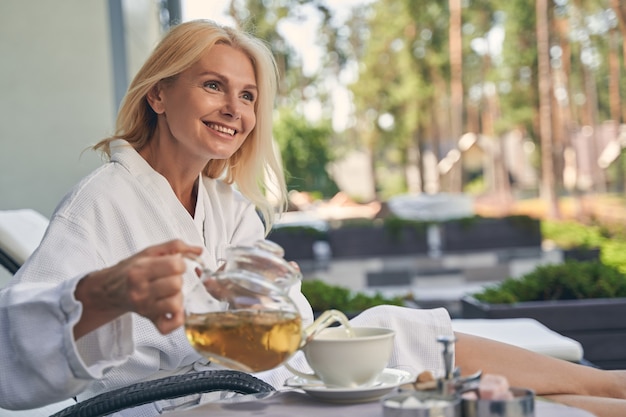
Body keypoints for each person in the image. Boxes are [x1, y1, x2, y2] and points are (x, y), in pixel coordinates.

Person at [0, 19, 625, 417]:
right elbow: (9, 363)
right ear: (159, 94)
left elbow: (281, 328)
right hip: (170, 407)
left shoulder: (225, 207)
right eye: (213, 86)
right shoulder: (103, 200)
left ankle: (602, 390)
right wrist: (106, 295)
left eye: (247, 96)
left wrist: (271, 292)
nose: (235, 109)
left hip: (246, 385)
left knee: (387, 329)